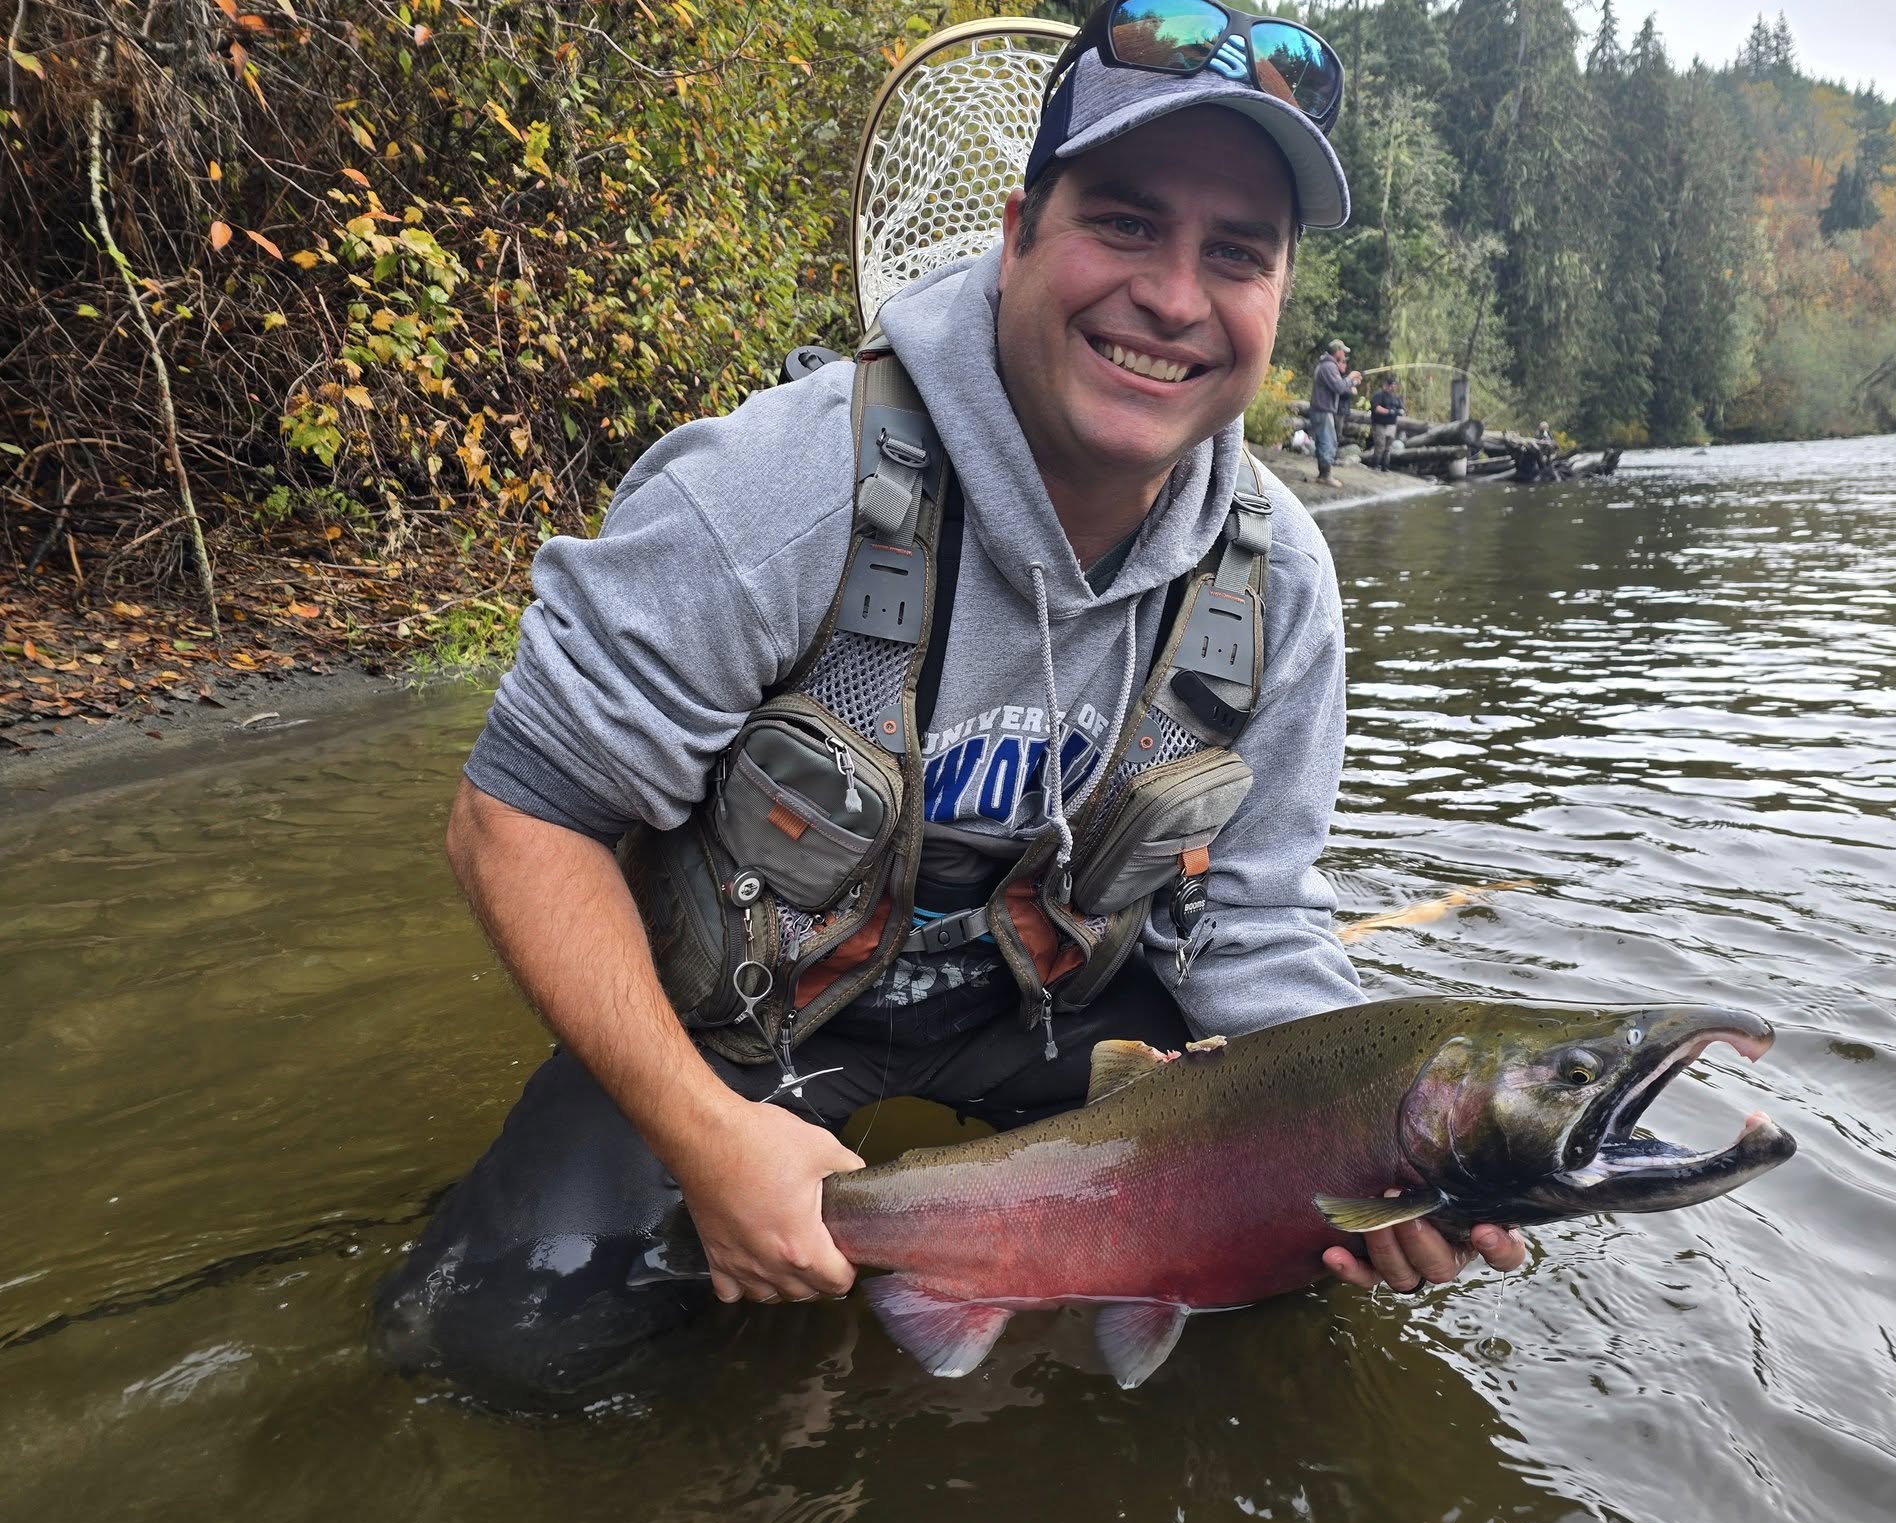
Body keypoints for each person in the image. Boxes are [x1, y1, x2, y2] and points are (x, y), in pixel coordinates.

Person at [372, 0, 1524, 1403]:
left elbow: (1257, 918)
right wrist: (704, 1142)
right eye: (1126, 222)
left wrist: (1372, 1147)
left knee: (1286, 1288)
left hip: (1053, 1027)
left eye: (1238, 254)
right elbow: (514, 821)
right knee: (498, 1348)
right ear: (1018, 225)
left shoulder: (1277, 583)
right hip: (760, 1022)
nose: (1173, 296)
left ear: (1281, 297)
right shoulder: (783, 492)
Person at [1307, 339, 1360, 487]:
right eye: (1343, 352)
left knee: (1324, 441)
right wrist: (1350, 378)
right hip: (1323, 410)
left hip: (1320, 409)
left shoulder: (1325, 365)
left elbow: (1338, 386)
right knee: (1328, 442)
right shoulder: (1329, 366)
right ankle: (1325, 476)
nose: (1344, 355)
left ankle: (1322, 474)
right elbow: (1338, 387)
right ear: (1337, 351)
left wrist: (1350, 382)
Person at [1368, 375, 1405, 469]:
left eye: (1394, 386)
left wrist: (1400, 411)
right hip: (1379, 423)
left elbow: (1401, 409)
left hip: (1391, 424)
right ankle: (1375, 465)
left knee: (1388, 447)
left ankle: (1385, 466)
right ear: (1386, 385)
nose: (1392, 388)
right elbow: (1376, 408)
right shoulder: (1378, 395)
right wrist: (1388, 411)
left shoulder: (1396, 397)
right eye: (1391, 386)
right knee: (1380, 444)